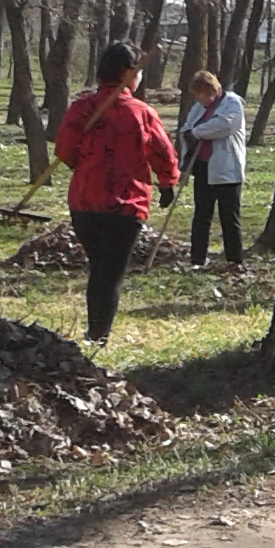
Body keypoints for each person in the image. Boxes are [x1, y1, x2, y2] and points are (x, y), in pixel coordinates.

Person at [54, 41, 180, 344]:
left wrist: (87, 164)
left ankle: (95, 330)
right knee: (109, 272)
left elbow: (65, 152)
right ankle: (99, 334)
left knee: (99, 266)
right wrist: (167, 183)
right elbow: (163, 153)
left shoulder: (81, 108)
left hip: (85, 202)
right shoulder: (141, 113)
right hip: (125, 204)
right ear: (128, 73)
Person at [177, 70, 246, 268]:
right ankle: (197, 258)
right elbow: (186, 130)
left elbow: (224, 126)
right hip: (202, 166)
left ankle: (234, 259)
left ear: (212, 90)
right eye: (196, 95)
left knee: (229, 216)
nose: (200, 99)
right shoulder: (198, 109)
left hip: (226, 169)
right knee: (201, 215)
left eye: (202, 94)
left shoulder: (232, 103)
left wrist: (198, 132)